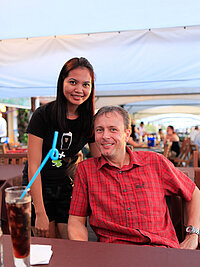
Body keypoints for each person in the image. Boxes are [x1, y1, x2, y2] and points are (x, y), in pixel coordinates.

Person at [68, 106, 200, 249]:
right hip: (113, 254)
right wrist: (83, 251)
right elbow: (76, 219)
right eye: (100, 130)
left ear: (127, 134)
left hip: (160, 252)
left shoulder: (155, 162)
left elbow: (194, 193)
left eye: (113, 129)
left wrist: (193, 235)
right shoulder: (86, 170)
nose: (105, 136)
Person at [27, 57, 99, 238]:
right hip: (40, 188)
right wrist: (40, 213)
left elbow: (98, 161)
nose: (79, 90)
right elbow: (33, 166)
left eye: (86, 85)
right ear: (62, 82)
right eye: (73, 82)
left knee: (70, 243)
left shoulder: (90, 120)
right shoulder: (42, 115)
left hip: (70, 188)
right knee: (48, 245)